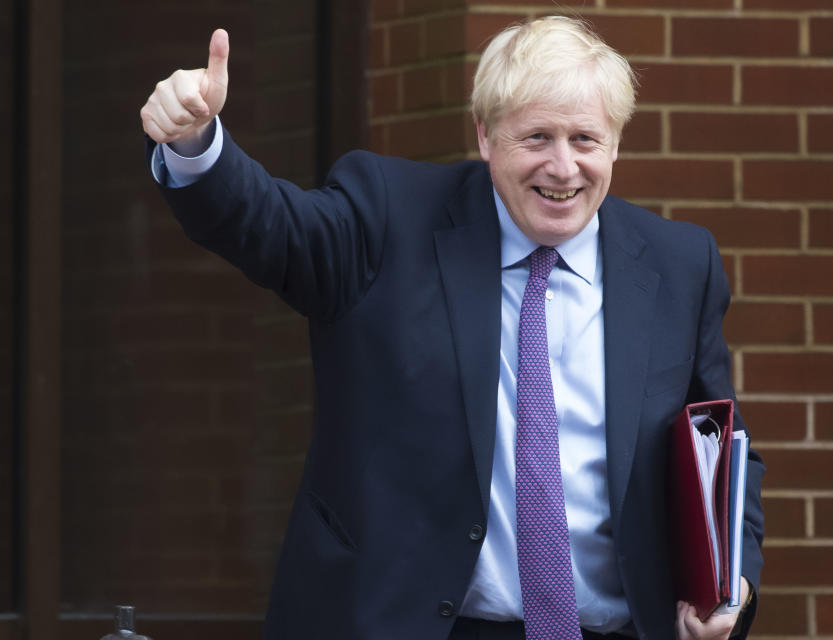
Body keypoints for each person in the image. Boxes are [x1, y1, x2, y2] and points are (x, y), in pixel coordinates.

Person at [141, 16, 764, 640]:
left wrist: (730, 587)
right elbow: (270, 227)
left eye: (585, 139)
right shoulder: (388, 216)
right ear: (486, 135)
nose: (563, 166)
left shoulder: (678, 265)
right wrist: (198, 145)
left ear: (616, 145)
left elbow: (721, 451)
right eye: (537, 137)